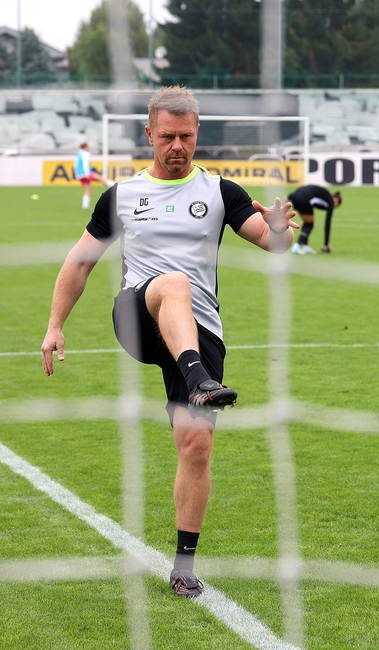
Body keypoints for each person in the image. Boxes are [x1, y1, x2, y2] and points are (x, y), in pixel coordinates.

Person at [41, 86, 298, 599]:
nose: (177, 146)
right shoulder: (122, 196)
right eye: (167, 136)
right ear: (149, 135)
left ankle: (183, 565)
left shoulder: (221, 191)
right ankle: (200, 378)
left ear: (197, 132)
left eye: (185, 136)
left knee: (196, 447)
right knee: (172, 282)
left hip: (201, 329)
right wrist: (55, 324)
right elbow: (80, 261)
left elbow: (272, 241)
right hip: (138, 316)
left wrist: (280, 229)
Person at [286, 184, 342, 254]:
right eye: (336, 206)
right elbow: (327, 223)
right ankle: (296, 246)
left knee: (307, 222)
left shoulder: (326, 195)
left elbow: (304, 189)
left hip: (296, 197)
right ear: (336, 201)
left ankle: (305, 247)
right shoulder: (330, 202)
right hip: (304, 199)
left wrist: (289, 197)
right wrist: (326, 244)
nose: (334, 207)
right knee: (309, 224)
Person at [75, 142, 113, 210]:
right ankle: (115, 187)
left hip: (80, 175)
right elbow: (85, 164)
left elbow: (76, 165)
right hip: (86, 173)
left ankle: (85, 206)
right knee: (102, 179)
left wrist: (77, 175)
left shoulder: (78, 154)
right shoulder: (85, 153)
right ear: (85, 147)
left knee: (88, 190)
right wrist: (87, 173)